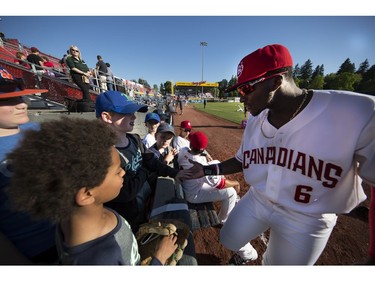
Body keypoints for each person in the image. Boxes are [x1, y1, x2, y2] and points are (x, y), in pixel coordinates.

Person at [187, 43, 375, 265]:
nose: (241, 98)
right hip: (259, 199)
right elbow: (242, 159)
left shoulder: (358, 112)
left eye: (246, 89)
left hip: (308, 217)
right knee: (228, 238)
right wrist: (207, 169)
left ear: (277, 81)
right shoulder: (256, 120)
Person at [5, 117, 178, 265]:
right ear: (87, 194)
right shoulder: (98, 259)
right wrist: (159, 259)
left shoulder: (87, 216)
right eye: (117, 170)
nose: (124, 172)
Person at [95, 91, 193, 232]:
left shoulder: (134, 139)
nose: (134, 116)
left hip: (145, 203)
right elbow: (126, 192)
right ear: (107, 116)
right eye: (127, 112)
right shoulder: (102, 152)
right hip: (126, 219)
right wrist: (145, 171)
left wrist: (174, 173)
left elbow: (151, 161)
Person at [0, 66, 57, 264]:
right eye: (8, 100)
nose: (22, 104)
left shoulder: (38, 130)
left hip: (67, 235)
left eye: (21, 97)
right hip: (31, 252)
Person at [177, 131, 240, 224]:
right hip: (193, 194)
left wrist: (204, 154)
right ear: (202, 149)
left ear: (190, 144)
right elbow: (221, 185)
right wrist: (236, 183)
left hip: (188, 185)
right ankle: (222, 221)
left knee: (216, 162)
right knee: (231, 192)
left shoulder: (183, 150)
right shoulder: (201, 165)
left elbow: (195, 154)